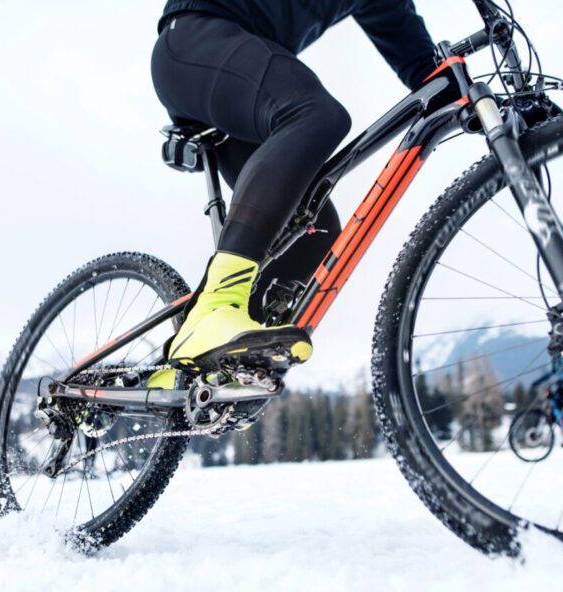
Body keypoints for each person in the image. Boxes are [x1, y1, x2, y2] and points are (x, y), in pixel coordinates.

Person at [148, 1, 437, 387]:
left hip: (243, 79)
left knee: (313, 230)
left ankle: (197, 369)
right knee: (317, 114)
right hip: (195, 41)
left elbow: (426, 71)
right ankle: (217, 306)